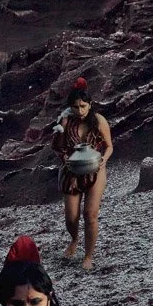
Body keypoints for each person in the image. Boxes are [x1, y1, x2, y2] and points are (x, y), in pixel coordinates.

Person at [53, 77, 113, 270]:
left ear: (90, 104)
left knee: (90, 214)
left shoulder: (99, 121)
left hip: (96, 169)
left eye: (83, 106)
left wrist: (104, 159)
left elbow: (109, 146)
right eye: (75, 107)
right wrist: (65, 159)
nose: (80, 111)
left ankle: (88, 256)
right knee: (71, 217)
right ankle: (74, 238)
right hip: (72, 171)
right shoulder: (64, 122)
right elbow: (57, 147)